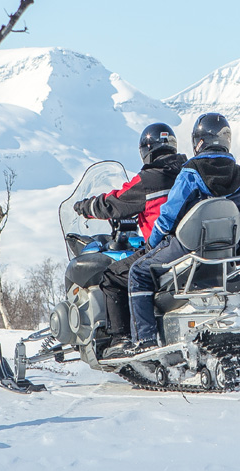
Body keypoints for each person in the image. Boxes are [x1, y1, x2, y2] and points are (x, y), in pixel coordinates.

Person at [125, 113, 240, 353]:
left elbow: (168, 216)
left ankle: (145, 341)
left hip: (186, 250)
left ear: (198, 142)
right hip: (224, 253)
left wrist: (151, 244)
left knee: (138, 272)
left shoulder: (191, 172)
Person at [73, 123, 187, 357]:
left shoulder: (147, 180)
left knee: (112, 277)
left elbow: (114, 203)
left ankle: (121, 340)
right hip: (189, 245)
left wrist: (85, 207)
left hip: (162, 247)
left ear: (146, 150)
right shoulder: (187, 173)